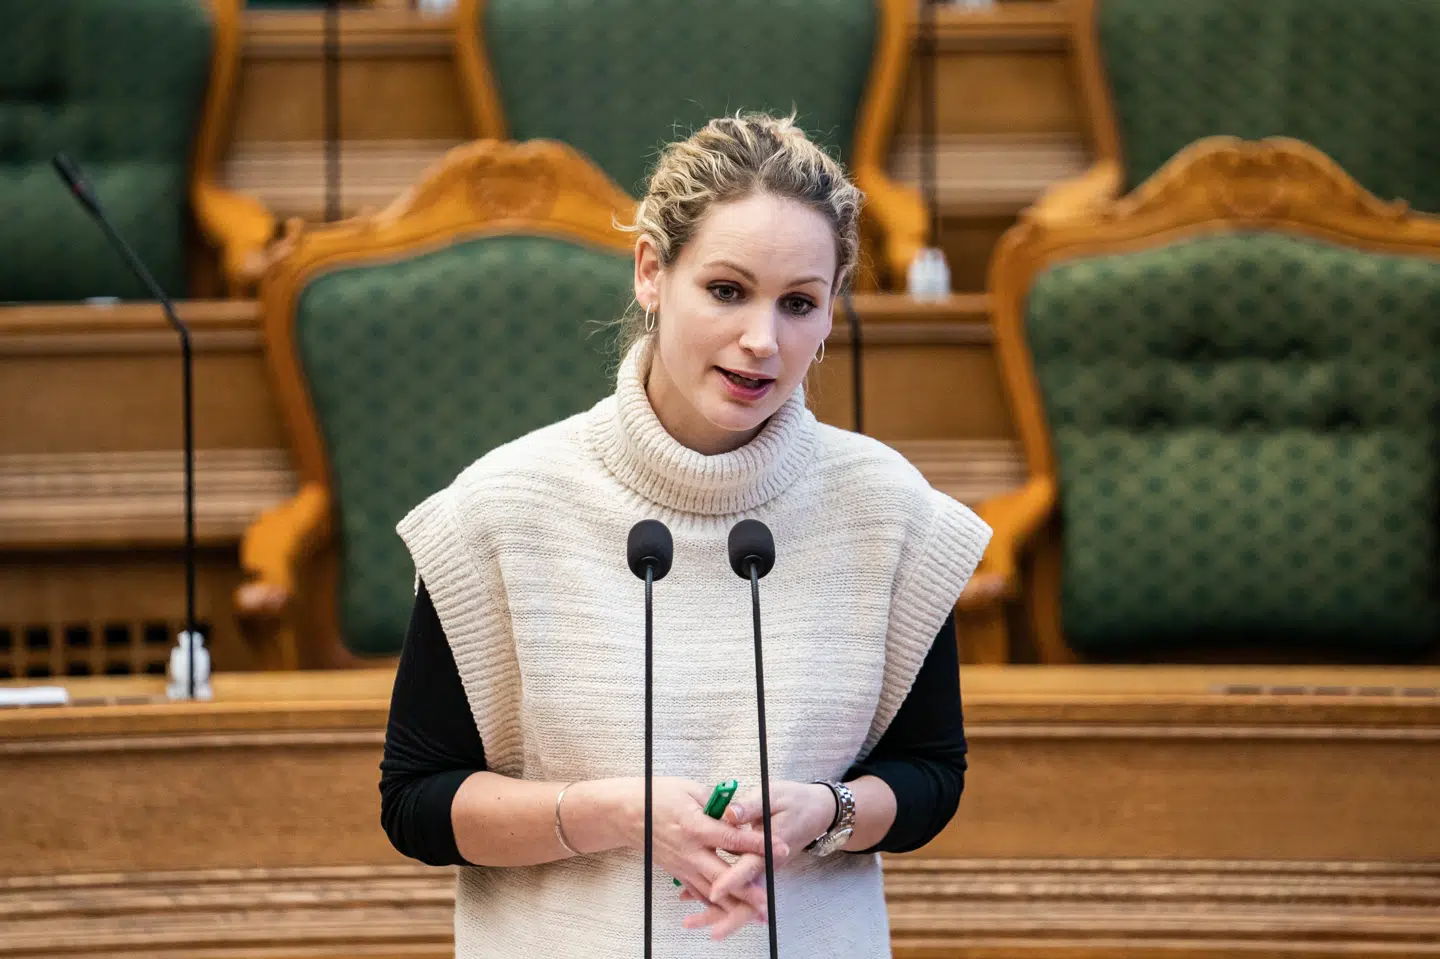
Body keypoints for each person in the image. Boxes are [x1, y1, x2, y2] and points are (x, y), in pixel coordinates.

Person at [379, 112, 992, 957]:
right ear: (651, 273)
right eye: (728, 290)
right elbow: (416, 802)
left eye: (800, 304)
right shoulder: (499, 510)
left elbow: (931, 773)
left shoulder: (888, 510)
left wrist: (830, 811)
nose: (761, 341)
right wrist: (616, 812)